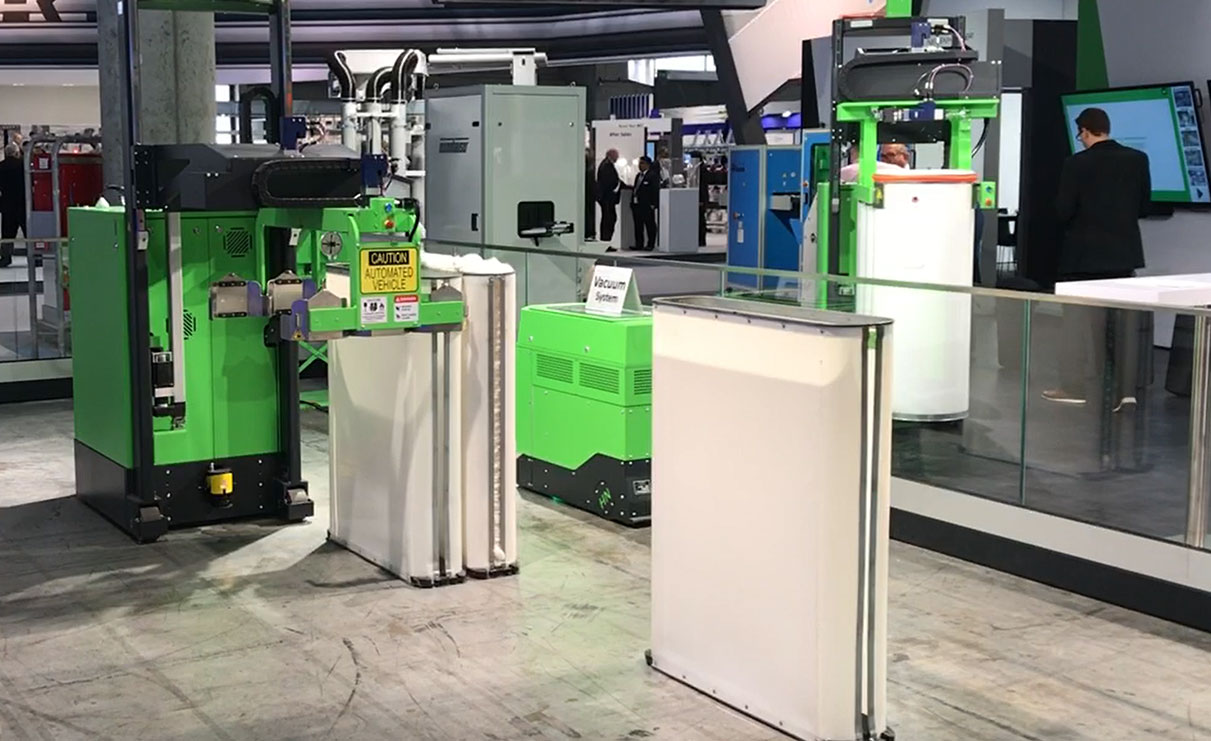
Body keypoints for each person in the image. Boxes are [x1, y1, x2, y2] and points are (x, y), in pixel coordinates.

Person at [1044, 107, 1152, 406]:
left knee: (1076, 326)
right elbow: (1144, 206)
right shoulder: (1138, 159)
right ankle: (1125, 392)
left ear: (1085, 130)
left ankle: (1073, 388)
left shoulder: (1076, 163)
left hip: (1083, 257)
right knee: (1120, 326)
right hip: (1123, 256)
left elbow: (1063, 210)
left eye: (1080, 133)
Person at [0, 142, 26, 268]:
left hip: (7, 204)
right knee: (28, 232)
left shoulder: (1, 166)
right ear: (16, 153)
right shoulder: (23, 165)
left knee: (7, 233)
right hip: (23, 203)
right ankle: (35, 257)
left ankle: (5, 257)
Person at [631, 155, 660, 251]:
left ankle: (650, 244)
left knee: (649, 224)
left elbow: (655, 190)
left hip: (647, 205)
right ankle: (639, 243)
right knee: (638, 225)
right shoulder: (638, 176)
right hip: (637, 204)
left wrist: (653, 204)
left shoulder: (652, 176)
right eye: (639, 163)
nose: (640, 165)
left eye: (642, 163)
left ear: (647, 165)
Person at [596, 148, 621, 243]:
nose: (617, 158)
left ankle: (606, 240)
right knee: (609, 219)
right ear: (611, 155)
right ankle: (605, 241)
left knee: (609, 218)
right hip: (607, 198)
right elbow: (610, 182)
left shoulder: (606, 165)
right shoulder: (606, 166)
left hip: (606, 197)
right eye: (616, 156)